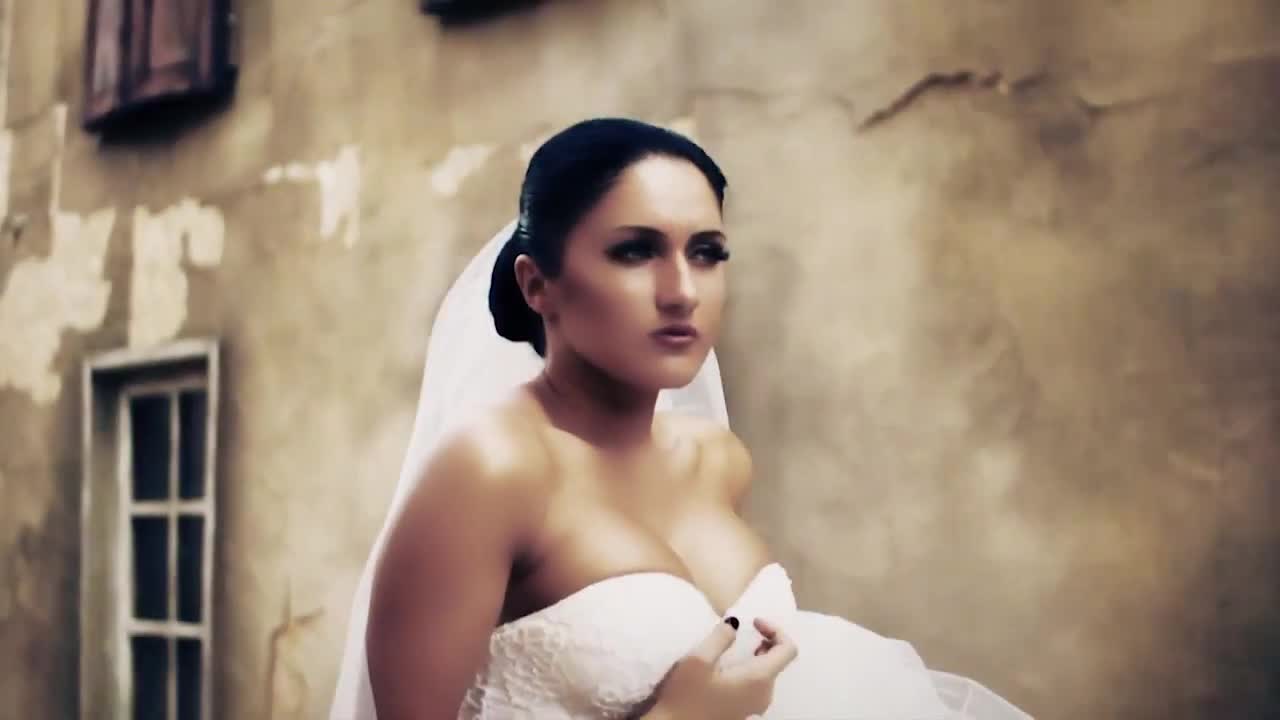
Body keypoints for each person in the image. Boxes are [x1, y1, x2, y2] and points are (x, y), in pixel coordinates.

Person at [330, 118, 1033, 720]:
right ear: (537, 283)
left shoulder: (715, 460)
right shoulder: (491, 470)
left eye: (707, 253)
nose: (682, 292)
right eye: (635, 251)